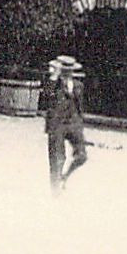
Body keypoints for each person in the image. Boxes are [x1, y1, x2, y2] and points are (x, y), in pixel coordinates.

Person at [42, 55, 88, 192]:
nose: (67, 73)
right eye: (64, 70)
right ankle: (55, 190)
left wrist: (79, 125)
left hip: (73, 124)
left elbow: (80, 108)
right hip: (56, 125)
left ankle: (65, 177)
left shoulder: (79, 86)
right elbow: (46, 97)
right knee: (57, 158)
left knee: (82, 155)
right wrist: (54, 76)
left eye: (69, 70)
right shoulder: (53, 84)